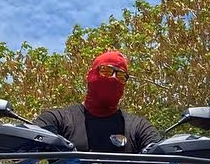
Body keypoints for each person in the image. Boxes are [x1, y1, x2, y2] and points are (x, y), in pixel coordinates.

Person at [32, 50, 161, 153]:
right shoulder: (57, 119)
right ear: (90, 75)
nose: (114, 79)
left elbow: (166, 159)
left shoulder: (139, 128)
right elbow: (21, 150)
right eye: (106, 71)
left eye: (121, 76)